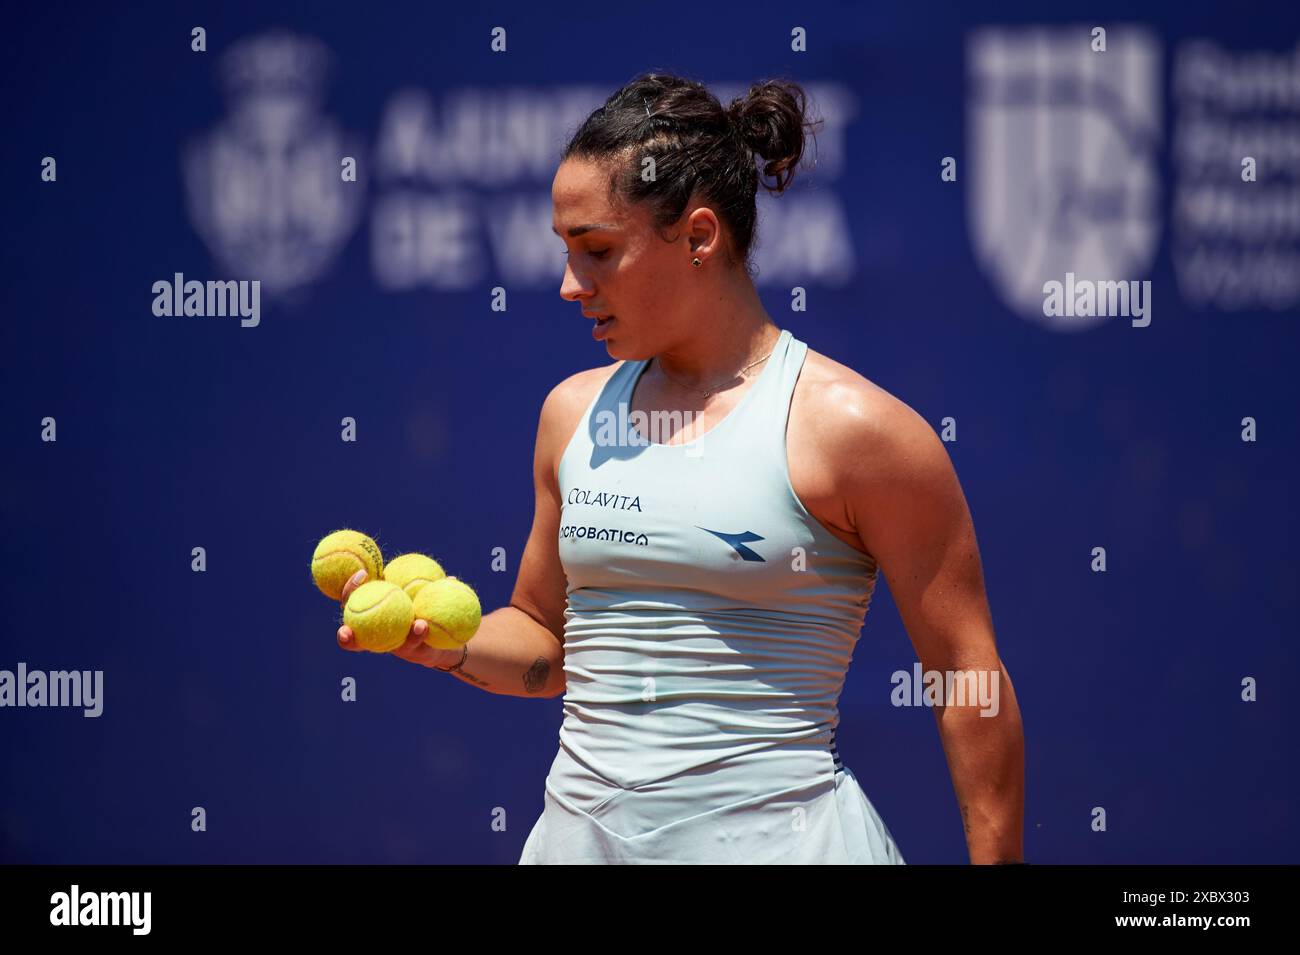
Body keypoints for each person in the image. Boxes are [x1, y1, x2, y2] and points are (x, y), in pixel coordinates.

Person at [338, 72, 1025, 864]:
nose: (569, 285)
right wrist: (445, 644)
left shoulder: (858, 432)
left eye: (597, 250)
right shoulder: (570, 415)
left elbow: (967, 678)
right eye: (566, 252)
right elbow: (545, 641)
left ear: (700, 236)